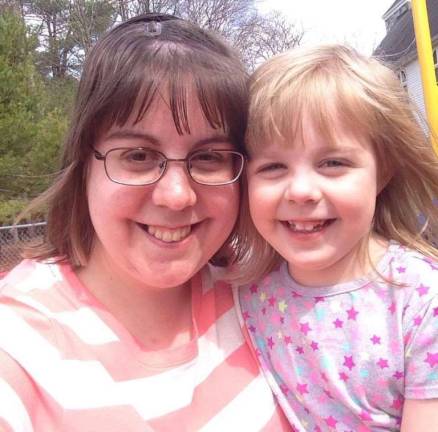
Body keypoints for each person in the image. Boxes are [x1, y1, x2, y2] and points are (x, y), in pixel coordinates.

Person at [0, 13, 291, 431]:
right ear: (85, 164)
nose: (176, 195)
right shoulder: (19, 341)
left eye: (208, 157)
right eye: (138, 156)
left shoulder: (264, 297)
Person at [237, 44, 438, 431]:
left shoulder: (422, 302)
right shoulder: (245, 291)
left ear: (382, 173)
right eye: (273, 166)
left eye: (333, 163)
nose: (301, 191)